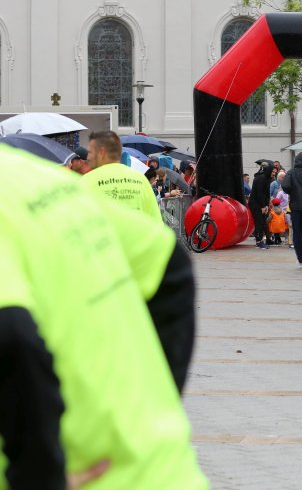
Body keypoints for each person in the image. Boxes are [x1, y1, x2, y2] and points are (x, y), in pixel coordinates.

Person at [0, 143, 206, 489]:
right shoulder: (40, 178)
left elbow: (11, 336)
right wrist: (154, 403)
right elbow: (167, 260)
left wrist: (40, 478)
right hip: (161, 468)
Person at [81, 130, 161, 221]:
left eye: (90, 152)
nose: (88, 157)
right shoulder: (141, 180)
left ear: (101, 152)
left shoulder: (87, 181)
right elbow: (156, 222)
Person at [250, 160, 275, 249]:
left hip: (261, 203)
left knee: (263, 222)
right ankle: (259, 241)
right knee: (259, 223)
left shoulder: (267, 178)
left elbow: (267, 193)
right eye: (272, 172)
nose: (274, 174)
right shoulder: (261, 178)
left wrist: (267, 205)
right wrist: (263, 206)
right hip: (256, 203)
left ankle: (262, 240)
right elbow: (259, 193)